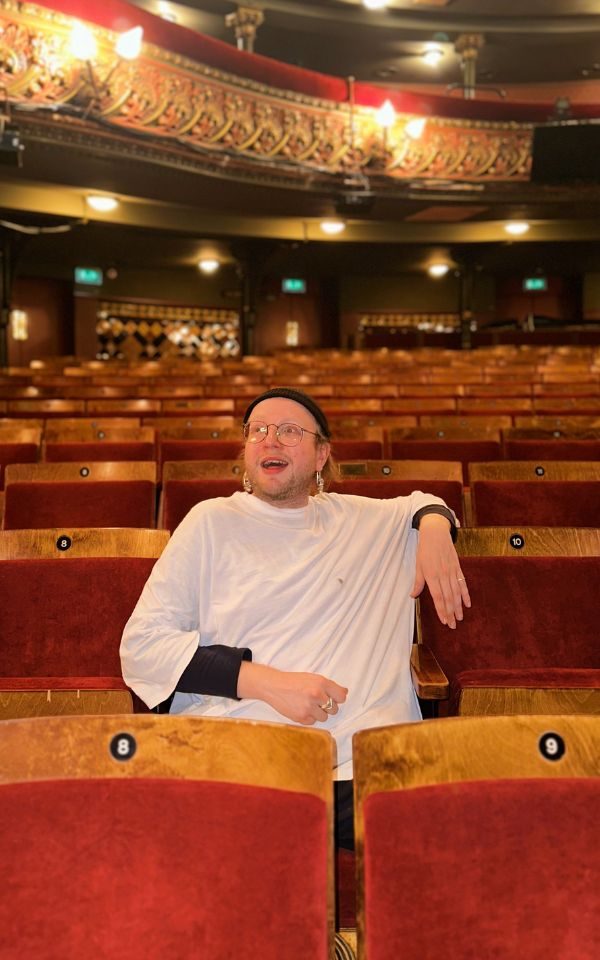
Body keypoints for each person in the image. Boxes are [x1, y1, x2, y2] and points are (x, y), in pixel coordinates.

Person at [121, 387, 470, 847]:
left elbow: (423, 501)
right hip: (246, 746)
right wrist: (267, 682)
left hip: (361, 756)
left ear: (321, 454)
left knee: (450, 831)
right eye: (258, 431)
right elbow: (142, 646)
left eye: (289, 431)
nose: (270, 441)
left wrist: (434, 526)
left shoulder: (360, 520)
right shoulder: (210, 522)